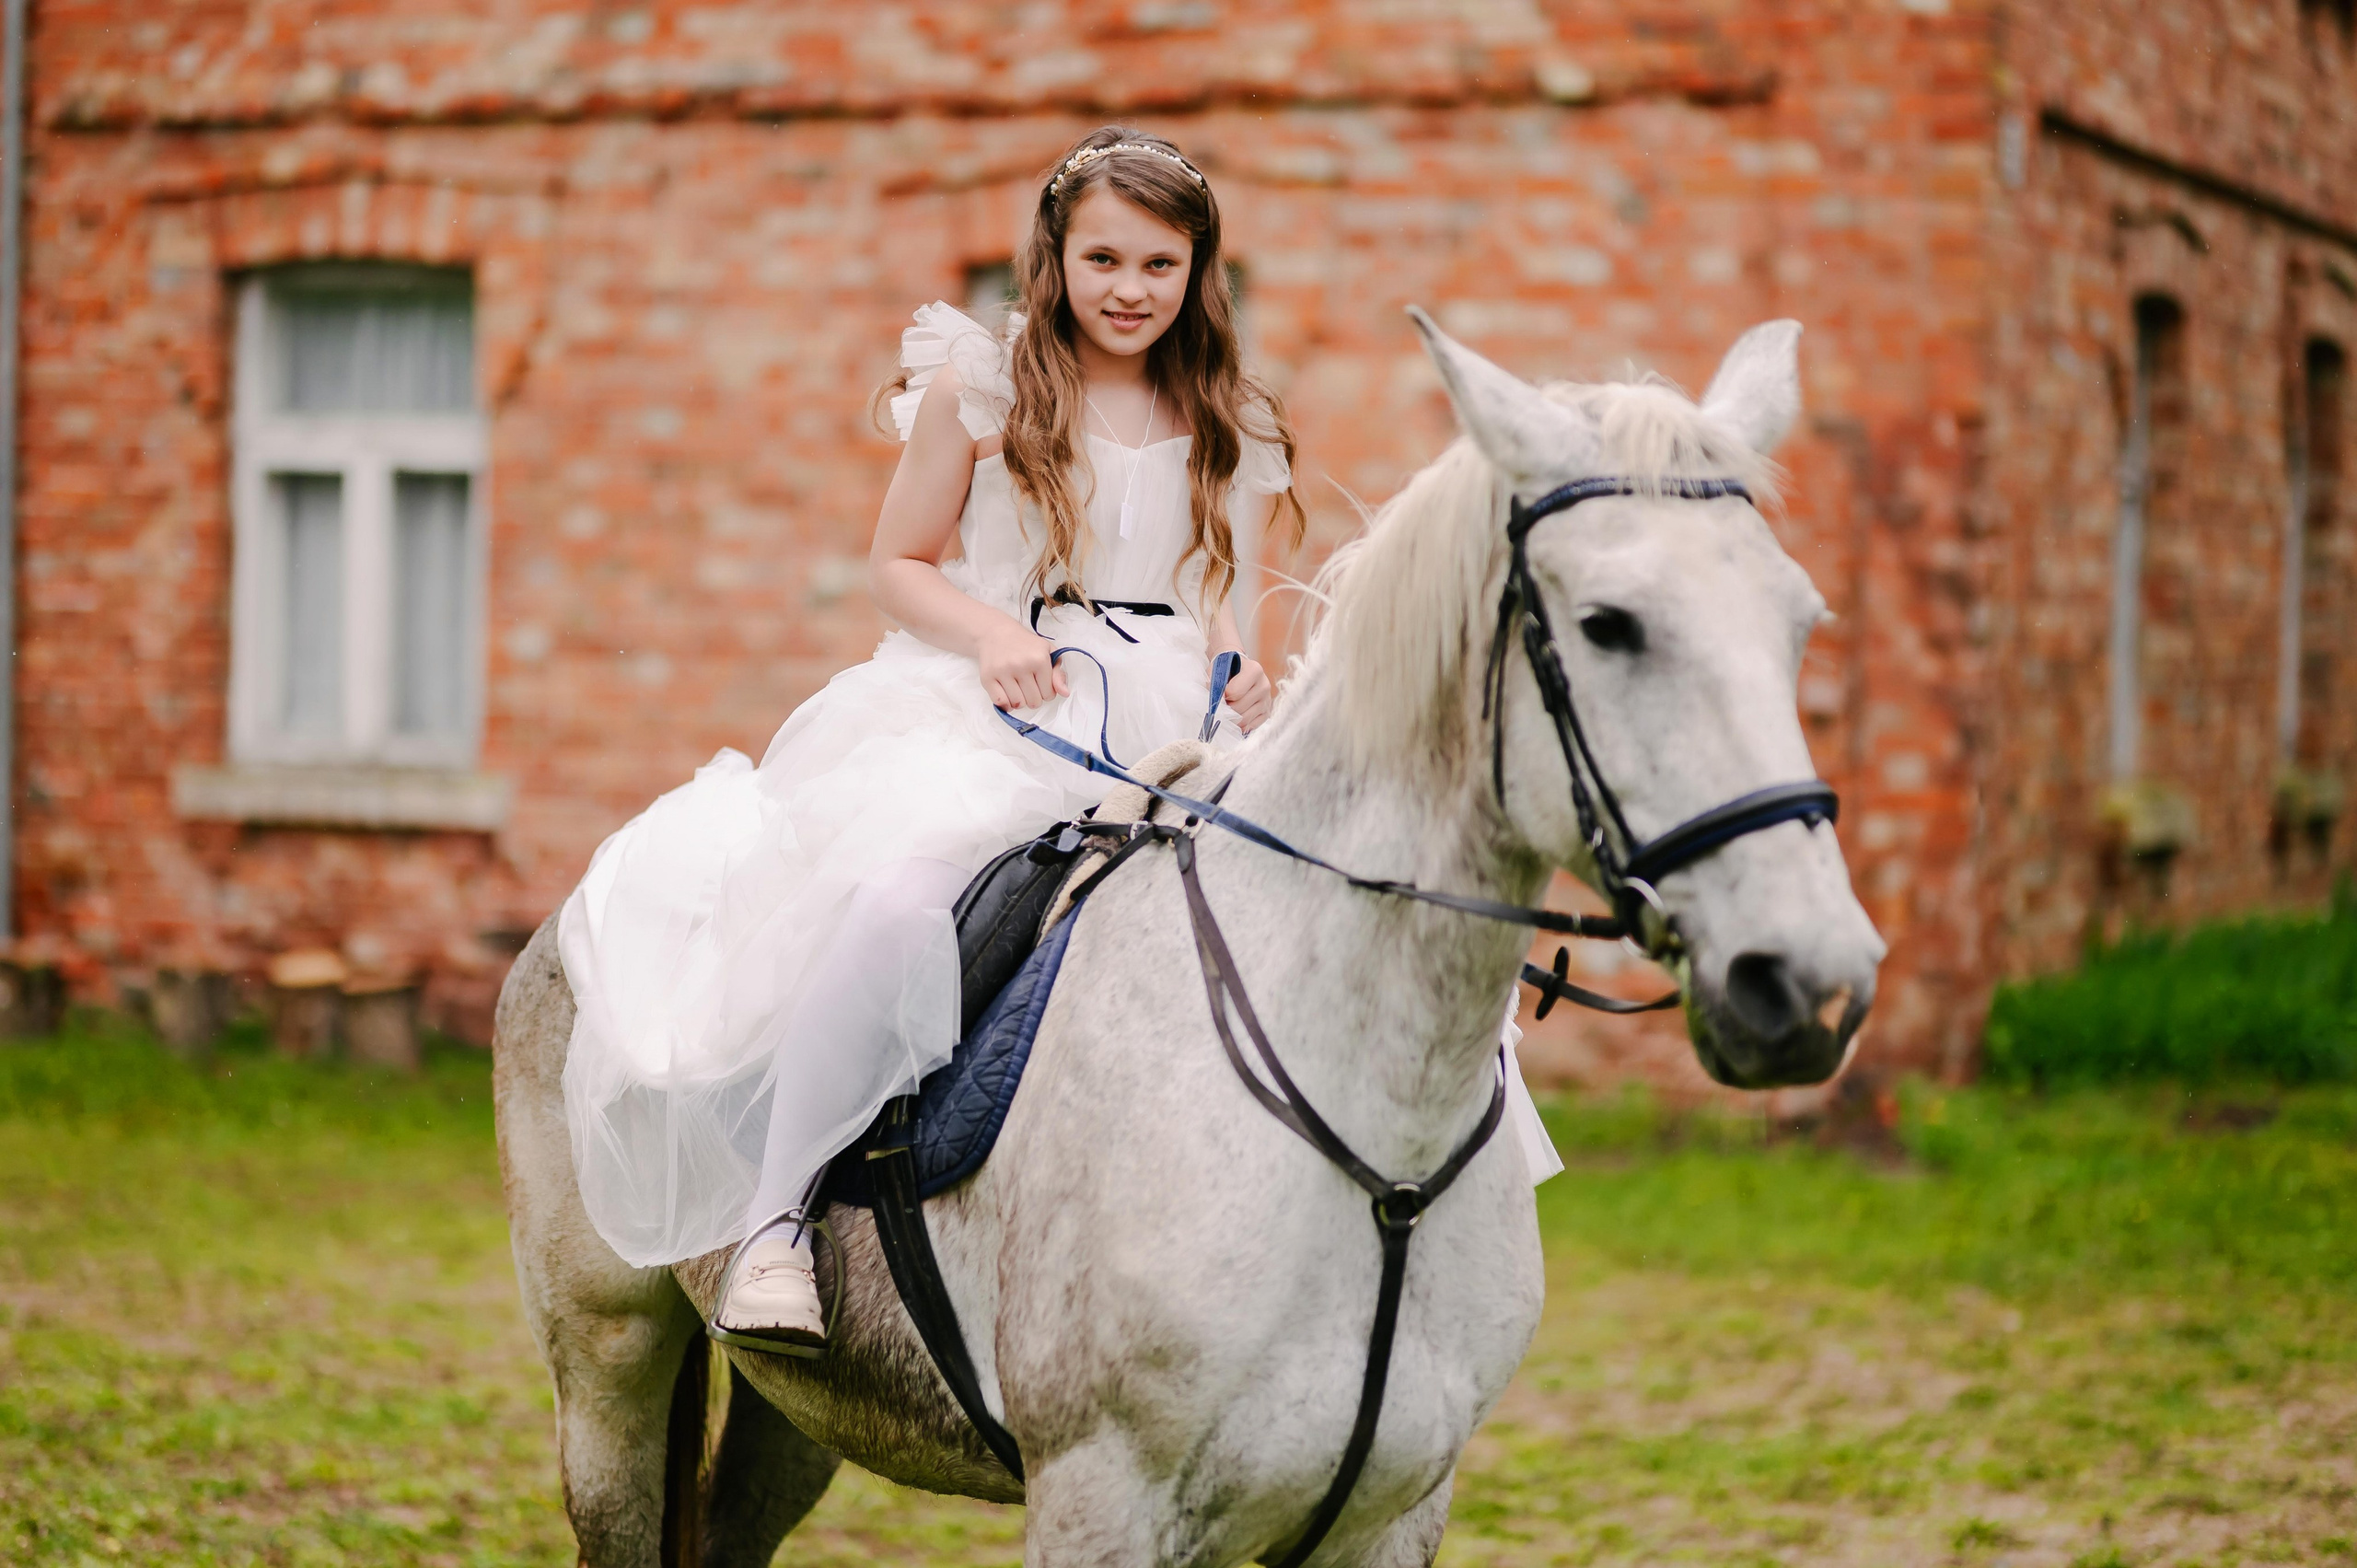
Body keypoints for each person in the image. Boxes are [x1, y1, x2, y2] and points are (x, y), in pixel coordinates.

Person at [558, 128, 1306, 1353]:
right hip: (995, 702)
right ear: (1053, 257)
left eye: (1159, 264)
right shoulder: (986, 385)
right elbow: (895, 566)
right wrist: (988, 637)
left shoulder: (1230, 411)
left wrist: (1244, 669)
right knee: (901, 887)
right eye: (1103, 258)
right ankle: (779, 1221)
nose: (1129, 289)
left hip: (1170, 726)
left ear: (1198, 270)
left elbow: (1218, 589)